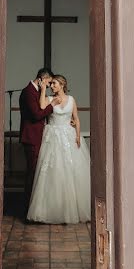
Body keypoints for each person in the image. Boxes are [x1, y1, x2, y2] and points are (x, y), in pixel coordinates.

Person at [27, 75, 91, 224]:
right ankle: (53, 210)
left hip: (68, 136)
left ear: (62, 84)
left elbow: (76, 118)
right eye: (51, 85)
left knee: (72, 171)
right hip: (53, 138)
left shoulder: (71, 99)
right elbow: (42, 107)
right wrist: (43, 90)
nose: (52, 86)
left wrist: (77, 135)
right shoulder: (49, 99)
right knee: (55, 172)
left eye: (54, 84)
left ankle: (73, 209)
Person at [19, 67, 59, 211]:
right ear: (42, 78)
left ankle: (33, 207)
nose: (48, 87)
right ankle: (27, 209)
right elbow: (36, 114)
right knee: (32, 173)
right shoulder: (28, 92)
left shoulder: (34, 91)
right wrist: (52, 106)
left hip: (37, 137)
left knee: (35, 173)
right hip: (31, 138)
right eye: (48, 83)